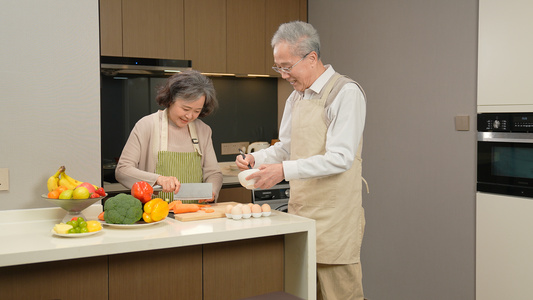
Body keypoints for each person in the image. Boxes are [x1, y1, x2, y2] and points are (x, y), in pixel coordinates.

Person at [235, 21, 367, 300]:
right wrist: (255, 159)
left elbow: (340, 158)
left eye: (286, 67)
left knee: (338, 292)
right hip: (302, 210)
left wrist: (283, 170)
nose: (283, 75)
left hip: (335, 215)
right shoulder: (296, 98)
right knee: (303, 290)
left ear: (312, 58)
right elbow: (286, 147)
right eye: (278, 67)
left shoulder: (345, 92)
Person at [116, 70, 223, 202]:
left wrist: (212, 190)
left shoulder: (203, 130)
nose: (190, 116)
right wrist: (158, 179)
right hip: (155, 215)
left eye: (197, 111)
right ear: (171, 100)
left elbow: (213, 173)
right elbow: (122, 170)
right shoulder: (147, 125)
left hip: (195, 215)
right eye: (185, 109)